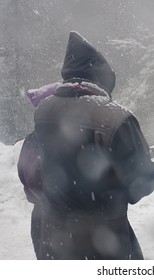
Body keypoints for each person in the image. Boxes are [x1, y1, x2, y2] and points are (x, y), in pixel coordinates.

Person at [32, 31, 154, 260]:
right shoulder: (116, 118)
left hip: (52, 238)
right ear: (101, 77)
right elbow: (142, 184)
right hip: (102, 242)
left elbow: (32, 170)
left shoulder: (43, 111)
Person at [17, 82, 61, 258]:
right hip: (61, 219)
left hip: (41, 219)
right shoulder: (64, 138)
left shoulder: (31, 140)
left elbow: (24, 177)